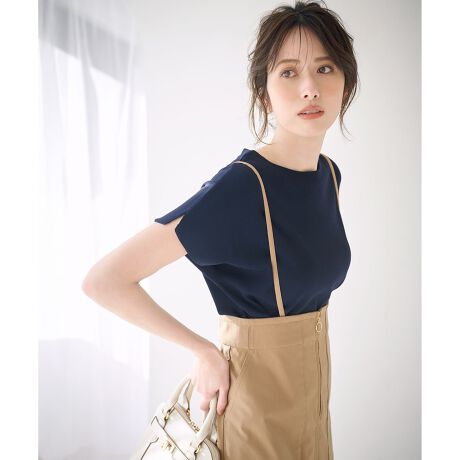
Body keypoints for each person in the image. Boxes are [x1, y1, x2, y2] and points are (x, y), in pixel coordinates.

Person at [82, 1, 359, 459]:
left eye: (324, 68)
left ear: (345, 83)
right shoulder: (241, 187)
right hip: (253, 414)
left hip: (314, 410)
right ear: (265, 93)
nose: (310, 88)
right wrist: (204, 352)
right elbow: (105, 280)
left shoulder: (328, 175)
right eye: (289, 72)